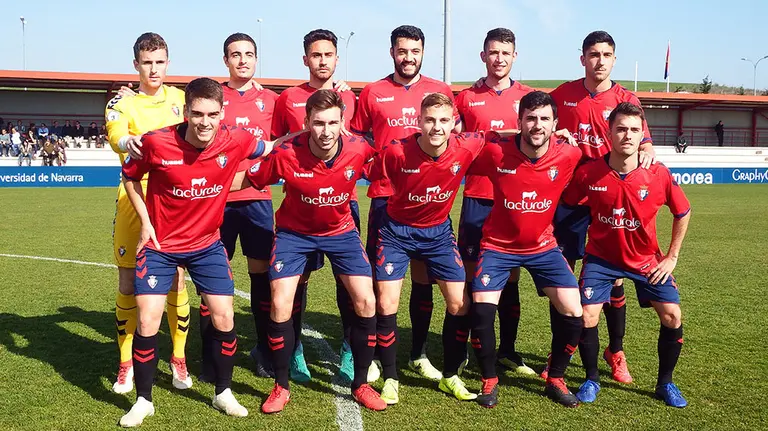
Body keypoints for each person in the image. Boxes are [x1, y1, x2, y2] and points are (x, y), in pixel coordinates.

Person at [118, 77, 280, 427]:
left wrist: (318, 136)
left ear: (222, 113)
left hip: (207, 245)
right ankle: (143, 400)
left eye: (212, 114)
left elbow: (270, 148)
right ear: (186, 112)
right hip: (160, 246)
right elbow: (130, 177)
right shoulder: (156, 143)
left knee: (225, 317)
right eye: (197, 114)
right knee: (147, 320)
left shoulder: (235, 138)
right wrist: (145, 221)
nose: (205, 122)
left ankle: (223, 392)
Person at [234, 89, 386, 414]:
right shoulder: (287, 153)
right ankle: (281, 386)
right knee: (280, 302)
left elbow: (391, 164)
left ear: (343, 122)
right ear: (307, 123)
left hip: (341, 232)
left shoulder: (360, 148)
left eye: (333, 122)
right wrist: (203, 184)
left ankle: (361, 384)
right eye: (319, 123)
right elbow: (249, 177)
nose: (326, 131)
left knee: (366, 300)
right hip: (294, 235)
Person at [369, 93, 520, 404]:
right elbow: (365, 168)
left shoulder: (466, 144)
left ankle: (450, 375)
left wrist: (543, 134)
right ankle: (390, 376)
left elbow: (498, 134)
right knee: (386, 302)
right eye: (429, 120)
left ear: (454, 123)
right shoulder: (397, 152)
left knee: (459, 303)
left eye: (443, 121)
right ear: (418, 122)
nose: (436, 127)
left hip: (437, 234)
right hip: (396, 233)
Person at [561, 102, 692, 408]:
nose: (628, 135)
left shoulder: (657, 174)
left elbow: (683, 211)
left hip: (646, 260)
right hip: (601, 259)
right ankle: (591, 378)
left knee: (672, 316)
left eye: (634, 129)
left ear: (642, 133)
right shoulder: (590, 173)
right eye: (620, 128)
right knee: (588, 315)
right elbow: (567, 206)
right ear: (609, 133)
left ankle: (665, 383)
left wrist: (671, 257)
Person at [351, 25, 461, 383]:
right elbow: (358, 137)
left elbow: (456, 135)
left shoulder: (440, 91)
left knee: (423, 278)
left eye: (415, 50)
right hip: (385, 197)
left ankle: (417, 353)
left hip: (427, 201)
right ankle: (372, 354)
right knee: (381, 283)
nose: (408, 57)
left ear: (423, 52)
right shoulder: (372, 92)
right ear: (392, 52)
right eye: (402, 50)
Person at [547, 30, 657, 383]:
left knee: (613, 279)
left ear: (614, 59)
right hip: (572, 198)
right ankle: (559, 348)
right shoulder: (563, 95)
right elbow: (538, 126)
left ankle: (616, 350)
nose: (599, 60)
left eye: (606, 54)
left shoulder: (626, 98)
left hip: (613, 197)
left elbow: (646, 143)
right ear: (582, 58)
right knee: (563, 278)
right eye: (593, 54)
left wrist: (648, 152)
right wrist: (554, 136)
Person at [468, 91, 583, 408]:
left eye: (545, 119)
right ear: (519, 122)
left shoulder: (569, 156)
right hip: (497, 246)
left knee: (575, 311)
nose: (537, 125)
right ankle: (489, 380)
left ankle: (555, 378)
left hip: (543, 247)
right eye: (530, 118)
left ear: (555, 124)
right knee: (480, 311)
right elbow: (460, 157)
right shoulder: (496, 153)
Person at [269, 28, 360, 383]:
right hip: (301, 209)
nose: (322, 61)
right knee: (297, 283)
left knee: (349, 284)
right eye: (316, 55)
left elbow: (361, 142)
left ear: (337, 59)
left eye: (328, 55)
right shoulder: (288, 98)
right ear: (305, 59)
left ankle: (350, 351)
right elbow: (277, 143)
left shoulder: (350, 97)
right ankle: (294, 352)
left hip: (343, 205)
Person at [105, 32, 190, 395]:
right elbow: (116, 135)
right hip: (133, 201)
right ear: (135, 65)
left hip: (175, 204)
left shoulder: (182, 99)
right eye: (147, 62)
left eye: (159, 61)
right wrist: (129, 142)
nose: (153, 69)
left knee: (177, 281)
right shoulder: (122, 103)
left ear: (168, 62)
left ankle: (179, 358)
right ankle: (125, 365)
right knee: (127, 284)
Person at [200, 32, 280, 382]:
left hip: (257, 202)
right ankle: (209, 359)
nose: (242, 60)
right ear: (225, 60)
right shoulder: (214, 98)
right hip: (216, 203)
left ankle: (263, 351)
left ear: (256, 59)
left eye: (249, 54)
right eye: (235, 54)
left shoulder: (273, 102)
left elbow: (288, 141)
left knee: (261, 279)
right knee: (211, 281)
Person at [455, 27, 536, 376]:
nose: (499, 58)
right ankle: (474, 347)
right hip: (477, 196)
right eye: (493, 52)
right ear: (483, 56)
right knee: (474, 278)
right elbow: (455, 140)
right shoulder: (465, 97)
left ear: (514, 56)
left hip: (515, 202)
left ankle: (508, 349)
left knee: (511, 278)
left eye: (505, 52)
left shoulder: (530, 97)